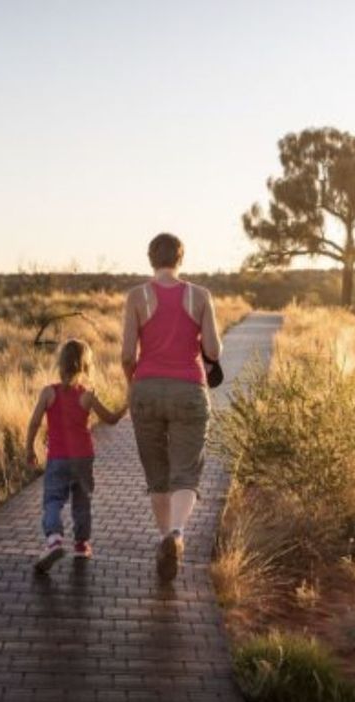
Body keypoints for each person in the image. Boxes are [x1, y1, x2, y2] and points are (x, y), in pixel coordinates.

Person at [122, 232, 222, 582]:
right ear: (181, 258)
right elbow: (213, 350)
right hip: (189, 391)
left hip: (146, 389)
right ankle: (177, 533)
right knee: (186, 472)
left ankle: (164, 536)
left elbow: (125, 354)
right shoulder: (200, 296)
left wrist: (132, 385)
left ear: (151, 258)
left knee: (157, 473)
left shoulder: (136, 296)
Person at [25, 339, 126, 573]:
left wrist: (29, 448)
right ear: (85, 366)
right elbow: (110, 420)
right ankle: (81, 545)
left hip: (58, 458)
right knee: (82, 501)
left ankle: (54, 539)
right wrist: (125, 407)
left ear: (61, 364)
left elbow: (34, 423)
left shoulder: (49, 392)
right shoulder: (87, 396)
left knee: (53, 500)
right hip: (83, 457)